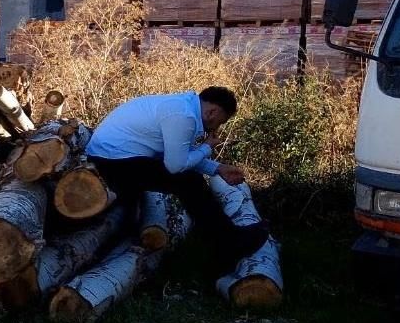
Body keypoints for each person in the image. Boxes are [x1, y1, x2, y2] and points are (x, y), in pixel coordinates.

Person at [85, 86, 268, 271]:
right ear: (212, 112)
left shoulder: (184, 108)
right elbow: (176, 166)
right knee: (189, 182)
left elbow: (181, 156)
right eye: (220, 122)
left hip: (113, 156)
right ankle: (230, 244)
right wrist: (206, 147)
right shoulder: (183, 116)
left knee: (187, 179)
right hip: (112, 161)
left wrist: (218, 168)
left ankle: (225, 242)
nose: (216, 128)